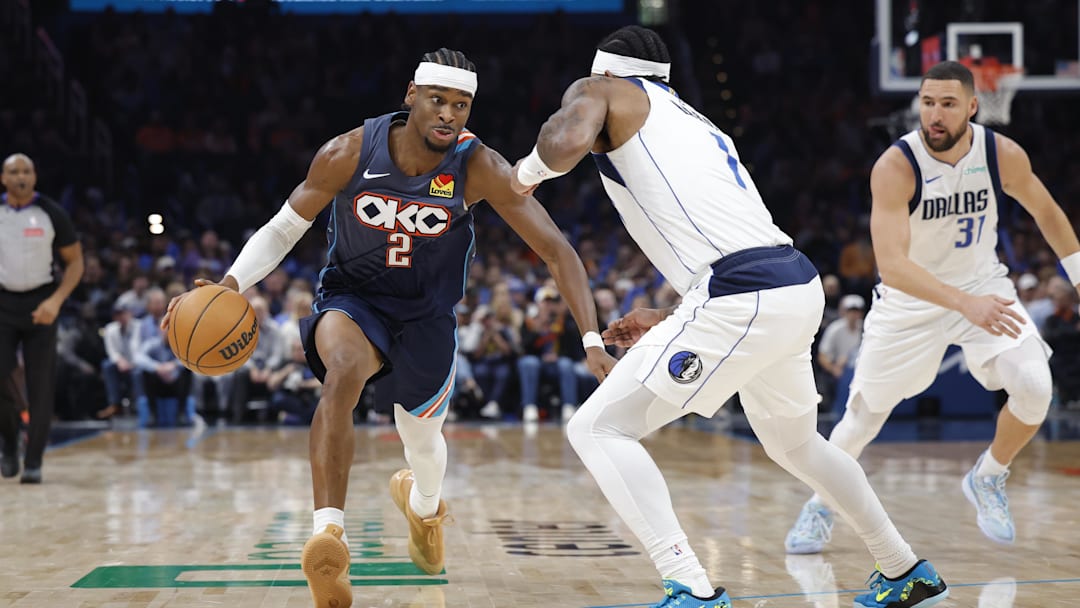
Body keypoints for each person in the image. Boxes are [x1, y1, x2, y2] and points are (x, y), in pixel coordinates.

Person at [161, 48, 615, 608]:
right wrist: (230, 285)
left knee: (421, 442)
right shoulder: (350, 151)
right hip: (354, 298)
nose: (449, 114)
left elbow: (557, 252)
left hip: (427, 316)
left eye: (462, 105)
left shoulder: (478, 166)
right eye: (438, 100)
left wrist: (592, 339)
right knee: (342, 373)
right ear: (411, 96)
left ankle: (425, 508)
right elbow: (284, 229)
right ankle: (329, 534)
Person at [511, 25, 948, 608]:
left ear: (607, 73)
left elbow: (564, 142)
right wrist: (671, 314)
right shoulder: (694, 121)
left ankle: (689, 585)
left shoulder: (605, 89)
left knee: (597, 428)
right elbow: (739, 244)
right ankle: (902, 568)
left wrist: (520, 179)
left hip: (743, 293)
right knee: (798, 446)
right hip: (790, 283)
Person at [785, 60, 1079, 553]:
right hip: (909, 303)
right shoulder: (896, 166)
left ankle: (987, 476)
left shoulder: (1000, 153)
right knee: (861, 422)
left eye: (946, 104)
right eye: (927, 103)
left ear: (971, 107)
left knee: (1034, 387)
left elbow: (1047, 212)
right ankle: (820, 505)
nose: (935, 115)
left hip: (982, 285)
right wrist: (965, 305)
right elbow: (894, 267)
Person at [0, 153, 84, 484]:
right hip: (3, 302)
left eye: (26, 171)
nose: (21, 177)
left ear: (34, 176)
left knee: (41, 385)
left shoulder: (51, 213)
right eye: (13, 172)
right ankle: (8, 441)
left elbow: (75, 263)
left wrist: (56, 300)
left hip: (41, 301)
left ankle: (33, 460)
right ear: (3, 179)